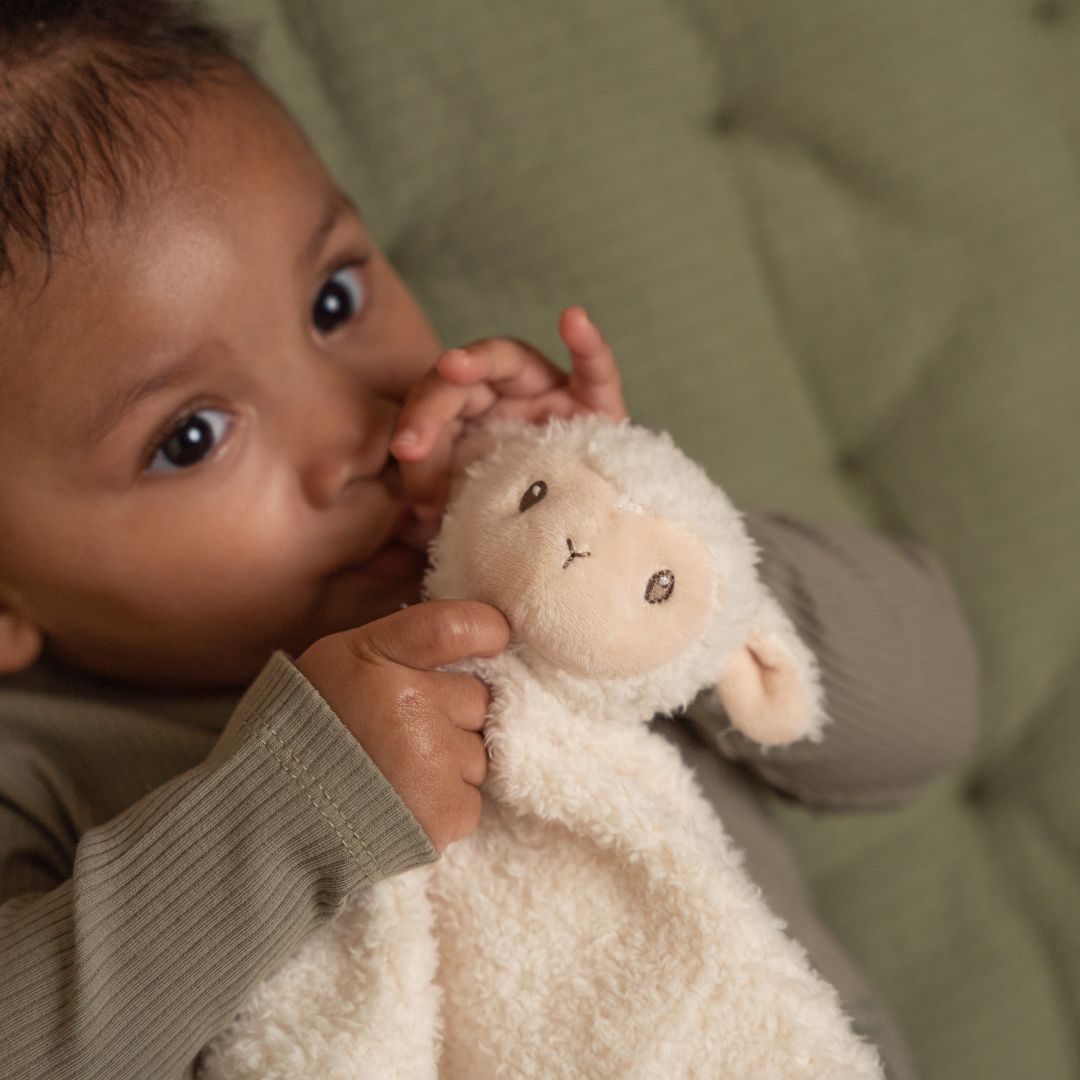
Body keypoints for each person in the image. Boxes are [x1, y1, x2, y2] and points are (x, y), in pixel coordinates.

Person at [0, 3, 980, 1078]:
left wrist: (652, 553)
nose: (357, 431)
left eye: (334, 299)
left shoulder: (517, 570)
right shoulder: (41, 770)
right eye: (190, 436)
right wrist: (295, 807)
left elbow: (928, 714)